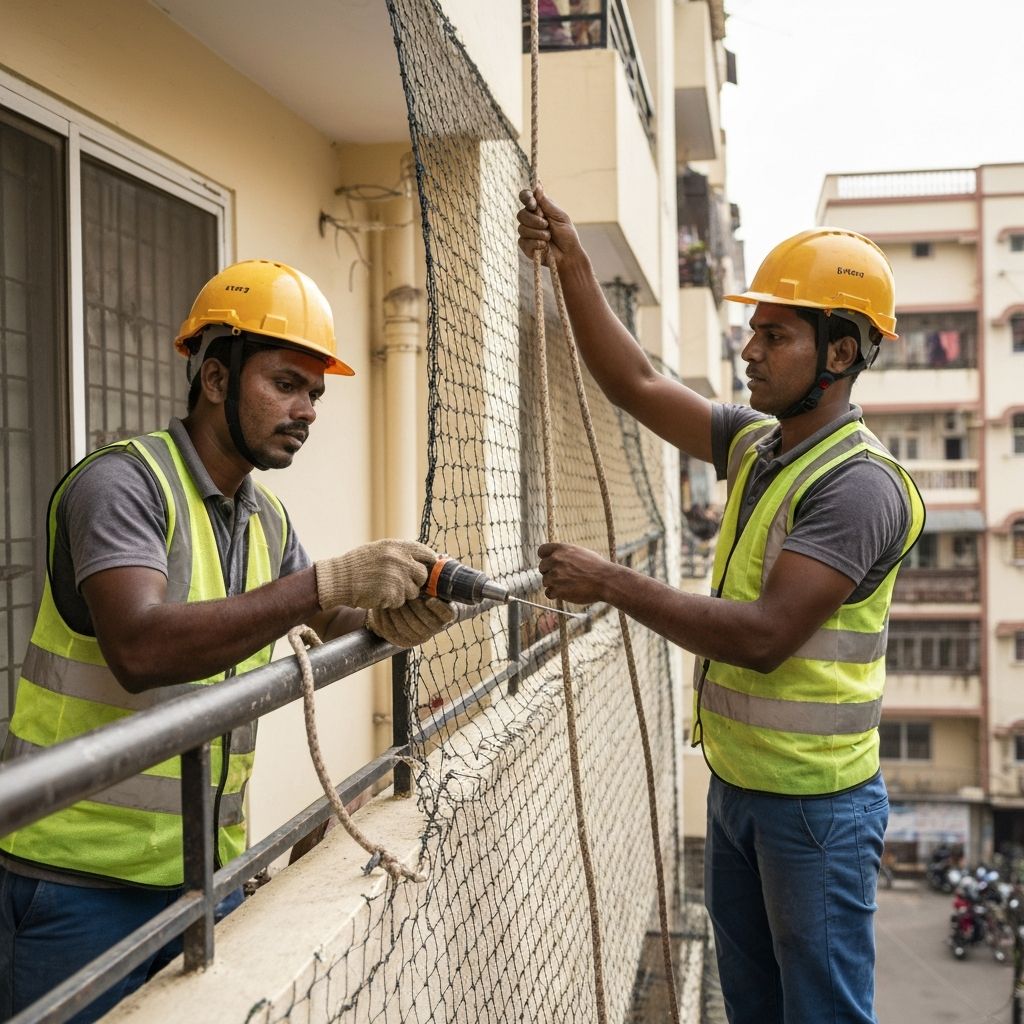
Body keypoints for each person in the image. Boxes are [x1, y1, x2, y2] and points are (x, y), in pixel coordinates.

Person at [0, 258, 454, 1022]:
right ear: (215, 379)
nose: (307, 409)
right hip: (77, 883)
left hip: (204, 875)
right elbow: (141, 649)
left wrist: (392, 613)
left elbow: (324, 614)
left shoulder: (262, 517)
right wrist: (329, 585)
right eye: (285, 383)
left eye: (315, 392)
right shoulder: (123, 486)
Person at [518, 188, 925, 1024]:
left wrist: (612, 583)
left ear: (840, 353)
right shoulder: (760, 445)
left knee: (820, 1014)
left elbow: (769, 637)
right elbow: (631, 381)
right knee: (753, 1007)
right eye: (755, 330)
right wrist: (573, 265)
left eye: (775, 335)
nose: (751, 350)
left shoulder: (858, 488)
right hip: (740, 787)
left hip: (816, 810)